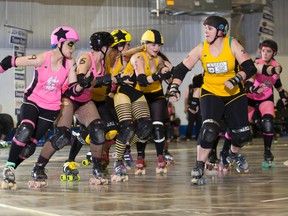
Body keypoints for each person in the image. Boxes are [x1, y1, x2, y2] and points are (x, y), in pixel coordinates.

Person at [168, 15, 258, 185]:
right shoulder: (202, 48)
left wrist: (236, 78)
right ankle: (199, 165)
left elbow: (249, 67)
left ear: (220, 31)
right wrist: (174, 87)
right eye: (205, 28)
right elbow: (181, 69)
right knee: (209, 129)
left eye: (209, 28)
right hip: (211, 92)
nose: (205, 32)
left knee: (244, 135)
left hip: (234, 94)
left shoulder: (232, 44)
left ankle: (231, 154)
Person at [28, 31, 116, 186]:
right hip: (68, 98)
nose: (112, 50)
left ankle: (97, 167)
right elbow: (82, 80)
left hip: (84, 101)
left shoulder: (103, 63)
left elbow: (93, 84)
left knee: (98, 129)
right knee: (62, 136)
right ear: (103, 47)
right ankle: (39, 167)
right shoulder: (85, 58)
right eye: (110, 47)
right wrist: (103, 79)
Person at [0, 26, 82, 188]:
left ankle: (10, 170)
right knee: (25, 130)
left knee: (29, 148)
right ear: (59, 44)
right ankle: (9, 166)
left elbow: (74, 90)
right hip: (33, 101)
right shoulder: (42, 58)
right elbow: (9, 61)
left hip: (51, 108)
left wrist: (83, 85)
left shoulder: (70, 63)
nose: (73, 49)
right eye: (70, 44)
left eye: (74, 45)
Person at [245, 39, 287, 168]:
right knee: (240, 128)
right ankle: (228, 153)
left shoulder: (277, 66)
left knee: (268, 124)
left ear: (274, 53)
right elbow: (248, 83)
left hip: (266, 98)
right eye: (263, 50)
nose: (265, 53)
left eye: (269, 51)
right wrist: (254, 89)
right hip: (251, 97)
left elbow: (277, 83)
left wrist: (282, 95)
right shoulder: (256, 64)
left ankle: (268, 153)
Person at [184, 74, 203, 141]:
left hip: (199, 106)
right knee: (191, 122)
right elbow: (186, 98)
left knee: (199, 122)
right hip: (190, 106)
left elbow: (200, 97)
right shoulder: (189, 87)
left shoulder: (200, 87)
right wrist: (185, 107)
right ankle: (188, 136)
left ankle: (198, 136)